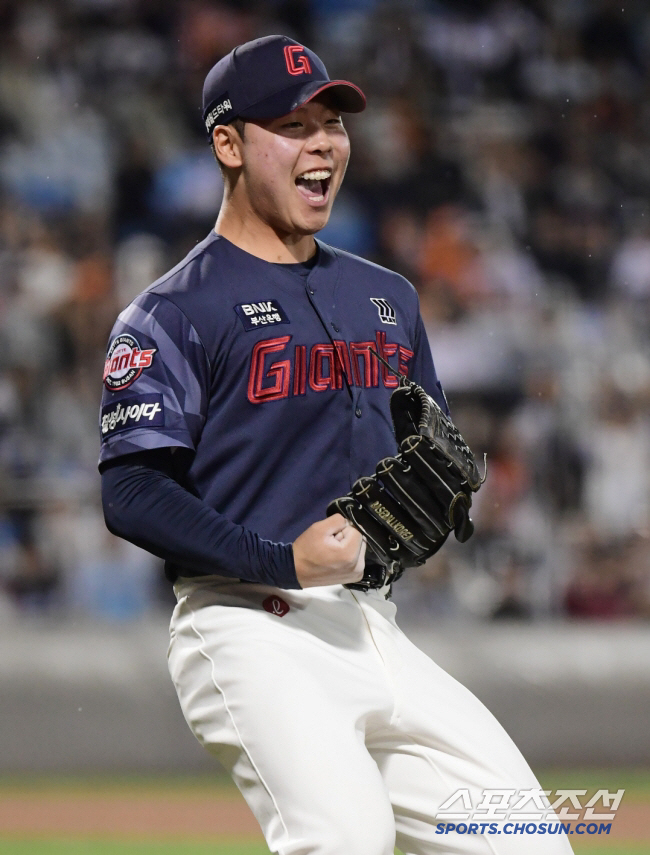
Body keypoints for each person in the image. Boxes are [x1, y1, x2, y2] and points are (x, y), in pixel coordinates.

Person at [99, 35, 573, 855]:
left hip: (372, 627)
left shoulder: (385, 297)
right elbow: (131, 492)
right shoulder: (173, 313)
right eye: (293, 123)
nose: (323, 142)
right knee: (343, 839)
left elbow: (433, 457)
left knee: (529, 841)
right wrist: (283, 560)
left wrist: (432, 513)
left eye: (334, 122)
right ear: (229, 143)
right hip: (246, 625)